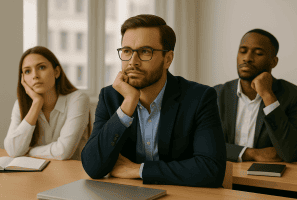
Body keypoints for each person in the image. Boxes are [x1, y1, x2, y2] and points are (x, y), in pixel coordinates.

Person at [81, 14, 226, 187]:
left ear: (168, 59)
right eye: (127, 51)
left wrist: (139, 170)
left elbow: (211, 169)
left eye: (145, 52)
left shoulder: (200, 98)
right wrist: (128, 104)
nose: (132, 62)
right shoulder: (110, 97)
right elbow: (92, 166)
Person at [214, 29, 297, 163]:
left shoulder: (292, 95)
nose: (247, 58)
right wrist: (250, 153)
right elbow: (200, 144)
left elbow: (291, 153)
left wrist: (268, 95)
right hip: (224, 178)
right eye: (242, 51)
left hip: (269, 182)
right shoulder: (216, 95)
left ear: (273, 62)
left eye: (258, 53)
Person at [4, 46, 90, 161]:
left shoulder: (78, 99)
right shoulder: (20, 104)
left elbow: (63, 151)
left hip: (72, 174)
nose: (35, 75)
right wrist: (37, 103)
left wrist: (28, 151)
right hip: (37, 174)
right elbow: (13, 150)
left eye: (41, 67)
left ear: (56, 72)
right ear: (23, 79)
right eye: (27, 71)